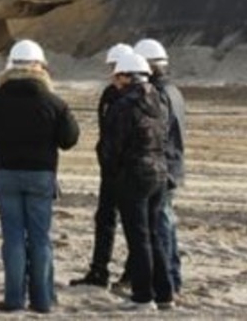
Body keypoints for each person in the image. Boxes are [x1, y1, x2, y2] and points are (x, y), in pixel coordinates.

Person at [0, 39, 80, 315]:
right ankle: (42, 300)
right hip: (41, 175)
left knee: (14, 237)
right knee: (41, 239)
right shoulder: (53, 101)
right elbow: (69, 139)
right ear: (40, 67)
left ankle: (14, 298)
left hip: (6, 174)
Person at [101, 51, 174, 311]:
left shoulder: (123, 106)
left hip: (133, 175)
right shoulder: (159, 101)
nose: (114, 82)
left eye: (117, 76)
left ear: (126, 76)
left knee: (139, 237)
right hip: (159, 172)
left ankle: (143, 296)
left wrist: (111, 171)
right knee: (154, 235)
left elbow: (112, 146)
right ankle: (165, 293)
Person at [72, 43, 136, 289]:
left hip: (127, 172)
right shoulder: (110, 95)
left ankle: (132, 272)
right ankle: (99, 271)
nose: (112, 72)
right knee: (105, 220)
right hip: (109, 171)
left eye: (115, 68)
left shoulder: (138, 97)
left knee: (133, 224)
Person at [134, 37, 186, 295]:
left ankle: (168, 281)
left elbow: (160, 134)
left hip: (163, 166)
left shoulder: (158, 95)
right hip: (174, 165)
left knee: (160, 226)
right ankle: (173, 277)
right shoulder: (174, 91)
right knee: (167, 223)